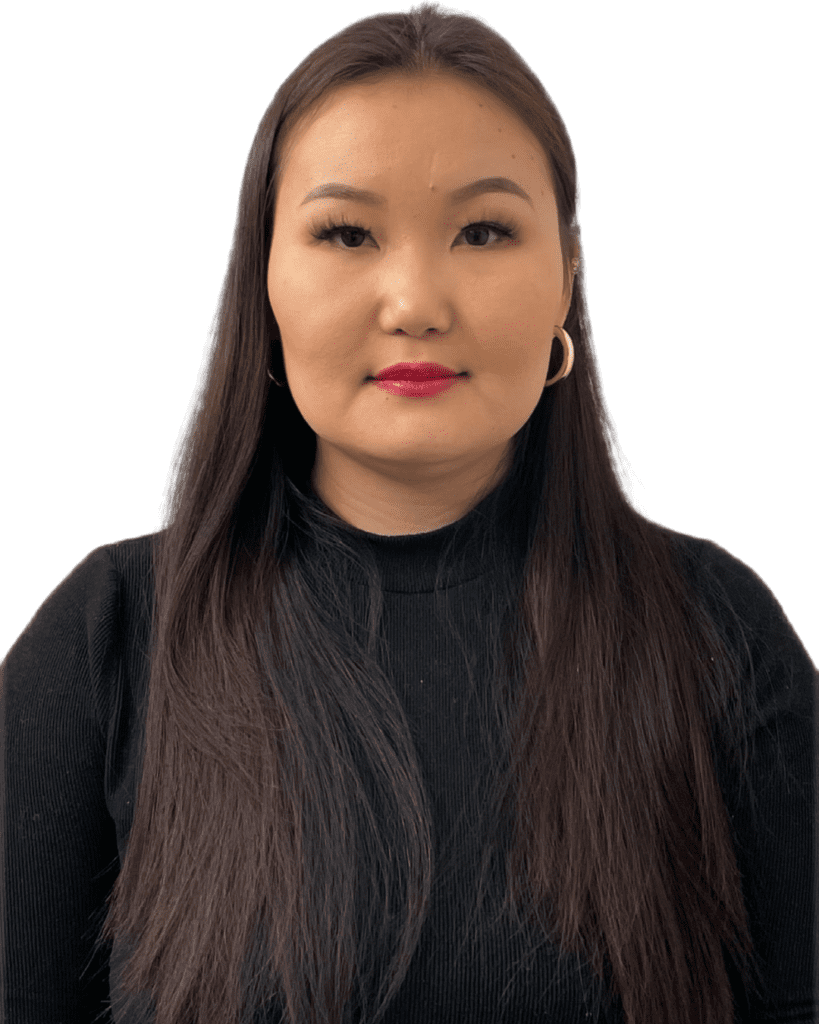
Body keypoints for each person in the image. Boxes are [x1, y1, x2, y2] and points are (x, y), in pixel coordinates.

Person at [1, 4, 816, 1023]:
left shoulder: (718, 639)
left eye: (484, 230)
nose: (417, 300)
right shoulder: (107, 644)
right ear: (265, 280)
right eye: (346, 232)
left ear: (567, 276)